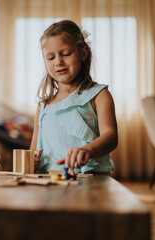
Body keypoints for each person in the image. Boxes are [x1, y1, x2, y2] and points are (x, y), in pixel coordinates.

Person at [30, 20, 118, 174]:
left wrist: (88, 150)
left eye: (65, 54)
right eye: (50, 58)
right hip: (50, 185)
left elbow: (111, 136)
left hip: (91, 181)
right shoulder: (43, 106)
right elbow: (33, 150)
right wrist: (32, 160)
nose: (58, 62)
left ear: (83, 53)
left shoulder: (99, 95)